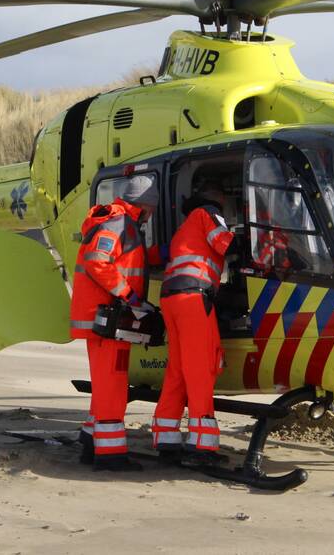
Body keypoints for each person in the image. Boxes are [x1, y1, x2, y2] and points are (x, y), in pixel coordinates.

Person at [70, 175, 158, 471]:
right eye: (153, 207)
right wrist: (130, 296)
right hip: (108, 319)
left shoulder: (123, 224)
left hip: (102, 318)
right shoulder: (119, 223)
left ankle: (89, 442)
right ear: (145, 204)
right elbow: (99, 261)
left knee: (105, 385)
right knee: (113, 388)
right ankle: (111, 456)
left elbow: (123, 260)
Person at [151, 181, 235, 466]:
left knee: (177, 368)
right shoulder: (207, 213)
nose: (223, 195)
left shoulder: (184, 227)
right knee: (200, 367)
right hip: (193, 296)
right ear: (210, 197)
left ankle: (166, 436)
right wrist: (259, 242)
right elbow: (224, 243)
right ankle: (203, 443)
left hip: (171, 298)